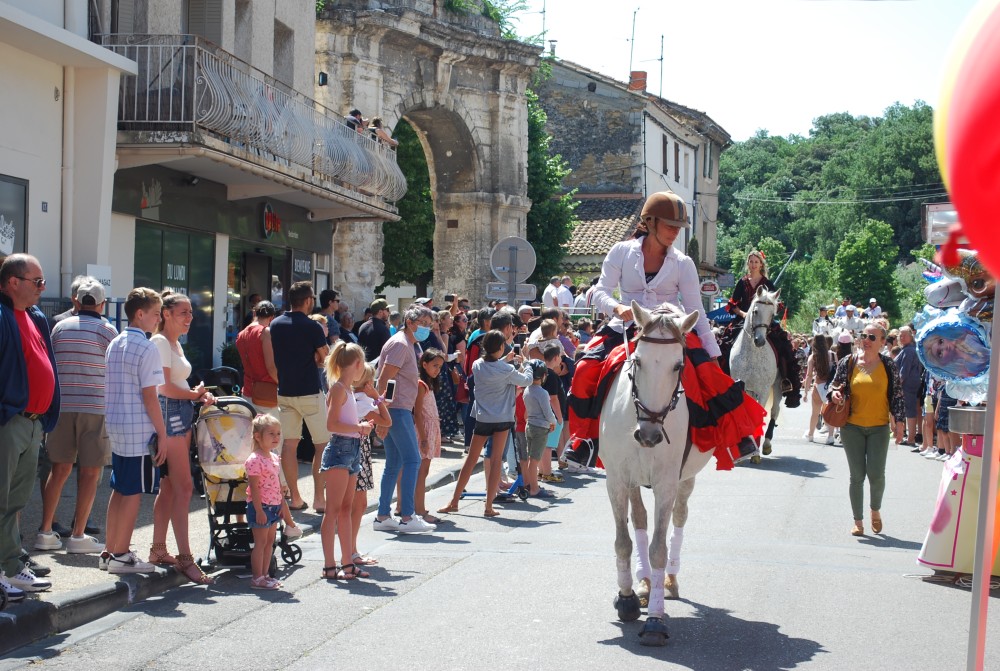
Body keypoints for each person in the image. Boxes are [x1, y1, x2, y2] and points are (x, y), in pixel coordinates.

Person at [562, 193, 766, 471]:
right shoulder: (621, 251)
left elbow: (697, 310)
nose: (675, 232)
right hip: (626, 323)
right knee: (585, 368)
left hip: (672, 327)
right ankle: (583, 440)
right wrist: (616, 307)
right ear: (650, 222)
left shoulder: (684, 263)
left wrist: (713, 352)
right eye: (670, 225)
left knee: (708, 374)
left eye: (678, 227)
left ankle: (737, 438)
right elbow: (600, 291)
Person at [36, 279, 117, 556]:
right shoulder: (108, 329)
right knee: (91, 472)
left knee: (58, 470)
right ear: (102, 304)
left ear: (77, 302)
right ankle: (78, 534)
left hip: (62, 407)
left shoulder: (59, 327)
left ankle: (46, 531)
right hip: (94, 407)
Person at [0, 254, 59, 599]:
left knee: (14, 502)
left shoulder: (35, 316)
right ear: (12, 282)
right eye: (36, 281)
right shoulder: (3, 315)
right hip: (11, 421)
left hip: (34, 423)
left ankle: (10, 566)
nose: (42, 288)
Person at [148, 291, 216, 584]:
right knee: (184, 486)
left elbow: (174, 383)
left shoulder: (173, 342)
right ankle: (185, 558)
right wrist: (194, 394)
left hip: (179, 411)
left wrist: (196, 394)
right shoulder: (162, 341)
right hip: (171, 413)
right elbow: (163, 387)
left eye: (191, 312)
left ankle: (159, 549)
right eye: (183, 312)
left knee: (171, 487)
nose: (190, 317)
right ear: (166, 314)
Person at [102, 288, 164, 576]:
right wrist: (162, 433)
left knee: (120, 488)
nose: (158, 319)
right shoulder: (148, 347)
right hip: (139, 428)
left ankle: (110, 550)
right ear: (140, 314)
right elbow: (150, 396)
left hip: (117, 423)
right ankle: (120, 553)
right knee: (133, 492)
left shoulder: (115, 342)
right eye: (155, 314)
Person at [438, 330, 532, 517]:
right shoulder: (507, 370)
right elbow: (527, 380)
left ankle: (454, 501)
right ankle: (488, 506)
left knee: (471, 460)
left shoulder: (477, 365)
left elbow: (491, 366)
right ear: (500, 347)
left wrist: (505, 359)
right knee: (496, 461)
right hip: (503, 418)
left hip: (482, 417)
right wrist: (526, 361)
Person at [828, 322, 905, 536]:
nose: (867, 340)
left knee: (876, 474)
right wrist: (834, 394)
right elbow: (834, 386)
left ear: (882, 342)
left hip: (879, 427)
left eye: (872, 337)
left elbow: (897, 395)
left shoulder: (888, 365)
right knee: (857, 476)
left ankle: (875, 510)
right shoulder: (849, 361)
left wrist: (899, 423)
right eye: (864, 336)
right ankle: (858, 521)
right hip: (851, 427)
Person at [373, 304, 437, 534]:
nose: (427, 329)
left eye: (429, 325)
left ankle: (383, 516)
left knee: (395, 463)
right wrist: (383, 414)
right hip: (397, 409)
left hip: (397, 409)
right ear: (410, 323)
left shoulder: (407, 343)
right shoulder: (400, 344)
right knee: (412, 461)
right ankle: (407, 516)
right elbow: (384, 380)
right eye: (424, 324)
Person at [269, 281, 330, 512]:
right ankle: (319, 499)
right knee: (321, 445)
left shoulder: (276, 324)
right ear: (308, 301)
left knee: (289, 446)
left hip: (285, 391)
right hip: (310, 391)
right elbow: (324, 358)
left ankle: (295, 497)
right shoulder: (312, 326)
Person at [722, 250, 801, 407]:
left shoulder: (767, 283)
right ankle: (722, 380)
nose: (753, 264)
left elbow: (775, 304)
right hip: (744, 320)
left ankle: (785, 380)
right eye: (751, 261)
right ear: (748, 264)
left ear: (761, 264)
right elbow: (733, 304)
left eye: (756, 262)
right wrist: (744, 313)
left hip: (764, 322)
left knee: (784, 346)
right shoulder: (742, 282)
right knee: (723, 344)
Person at [320, 341, 372, 580]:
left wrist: (360, 428)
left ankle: (346, 562)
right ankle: (330, 565)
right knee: (333, 510)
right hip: (341, 448)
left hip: (351, 448)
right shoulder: (340, 388)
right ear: (358, 363)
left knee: (345, 509)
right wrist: (359, 427)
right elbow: (331, 425)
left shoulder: (347, 389)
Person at [350, 363, 389, 567]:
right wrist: (377, 398)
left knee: (356, 504)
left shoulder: (352, 397)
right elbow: (386, 420)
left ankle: (351, 550)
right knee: (358, 504)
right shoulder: (363, 401)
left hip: (356, 449)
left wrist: (378, 399)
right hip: (358, 450)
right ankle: (352, 551)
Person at [245, 414, 284, 590]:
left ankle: (265, 574)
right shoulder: (254, 460)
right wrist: (259, 510)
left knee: (270, 542)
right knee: (260, 543)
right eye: (271, 434)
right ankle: (257, 577)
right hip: (261, 506)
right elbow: (254, 488)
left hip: (274, 505)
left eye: (278, 433)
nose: (276, 437)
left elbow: (276, 483)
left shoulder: (274, 457)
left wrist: (281, 504)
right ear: (258, 436)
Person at [414, 349, 446, 523]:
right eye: (434, 365)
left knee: (423, 471)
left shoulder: (429, 384)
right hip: (423, 430)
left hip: (430, 429)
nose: (437, 370)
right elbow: (417, 413)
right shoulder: (421, 385)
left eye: (440, 367)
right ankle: (419, 510)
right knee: (421, 471)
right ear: (424, 364)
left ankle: (417, 507)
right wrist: (424, 438)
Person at [523, 360, 558, 498]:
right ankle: (534, 489)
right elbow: (548, 412)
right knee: (535, 460)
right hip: (540, 428)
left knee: (531, 458)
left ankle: (531, 484)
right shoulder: (542, 393)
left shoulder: (527, 390)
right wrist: (553, 422)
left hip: (530, 425)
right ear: (544, 375)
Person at [894, 326, 924, 448]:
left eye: (904, 335)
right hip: (913, 383)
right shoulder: (909, 349)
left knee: (910, 409)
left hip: (908, 384)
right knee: (912, 409)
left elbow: (903, 372)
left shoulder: (909, 350)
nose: (902, 338)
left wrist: (897, 386)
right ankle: (911, 436)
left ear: (911, 336)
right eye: (900, 335)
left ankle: (911, 437)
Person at [802, 334, 835, 444]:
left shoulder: (813, 357)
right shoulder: (833, 355)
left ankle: (811, 434)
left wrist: (806, 392)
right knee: (829, 412)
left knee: (815, 413)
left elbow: (809, 375)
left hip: (818, 385)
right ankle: (830, 436)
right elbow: (838, 371)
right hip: (831, 387)